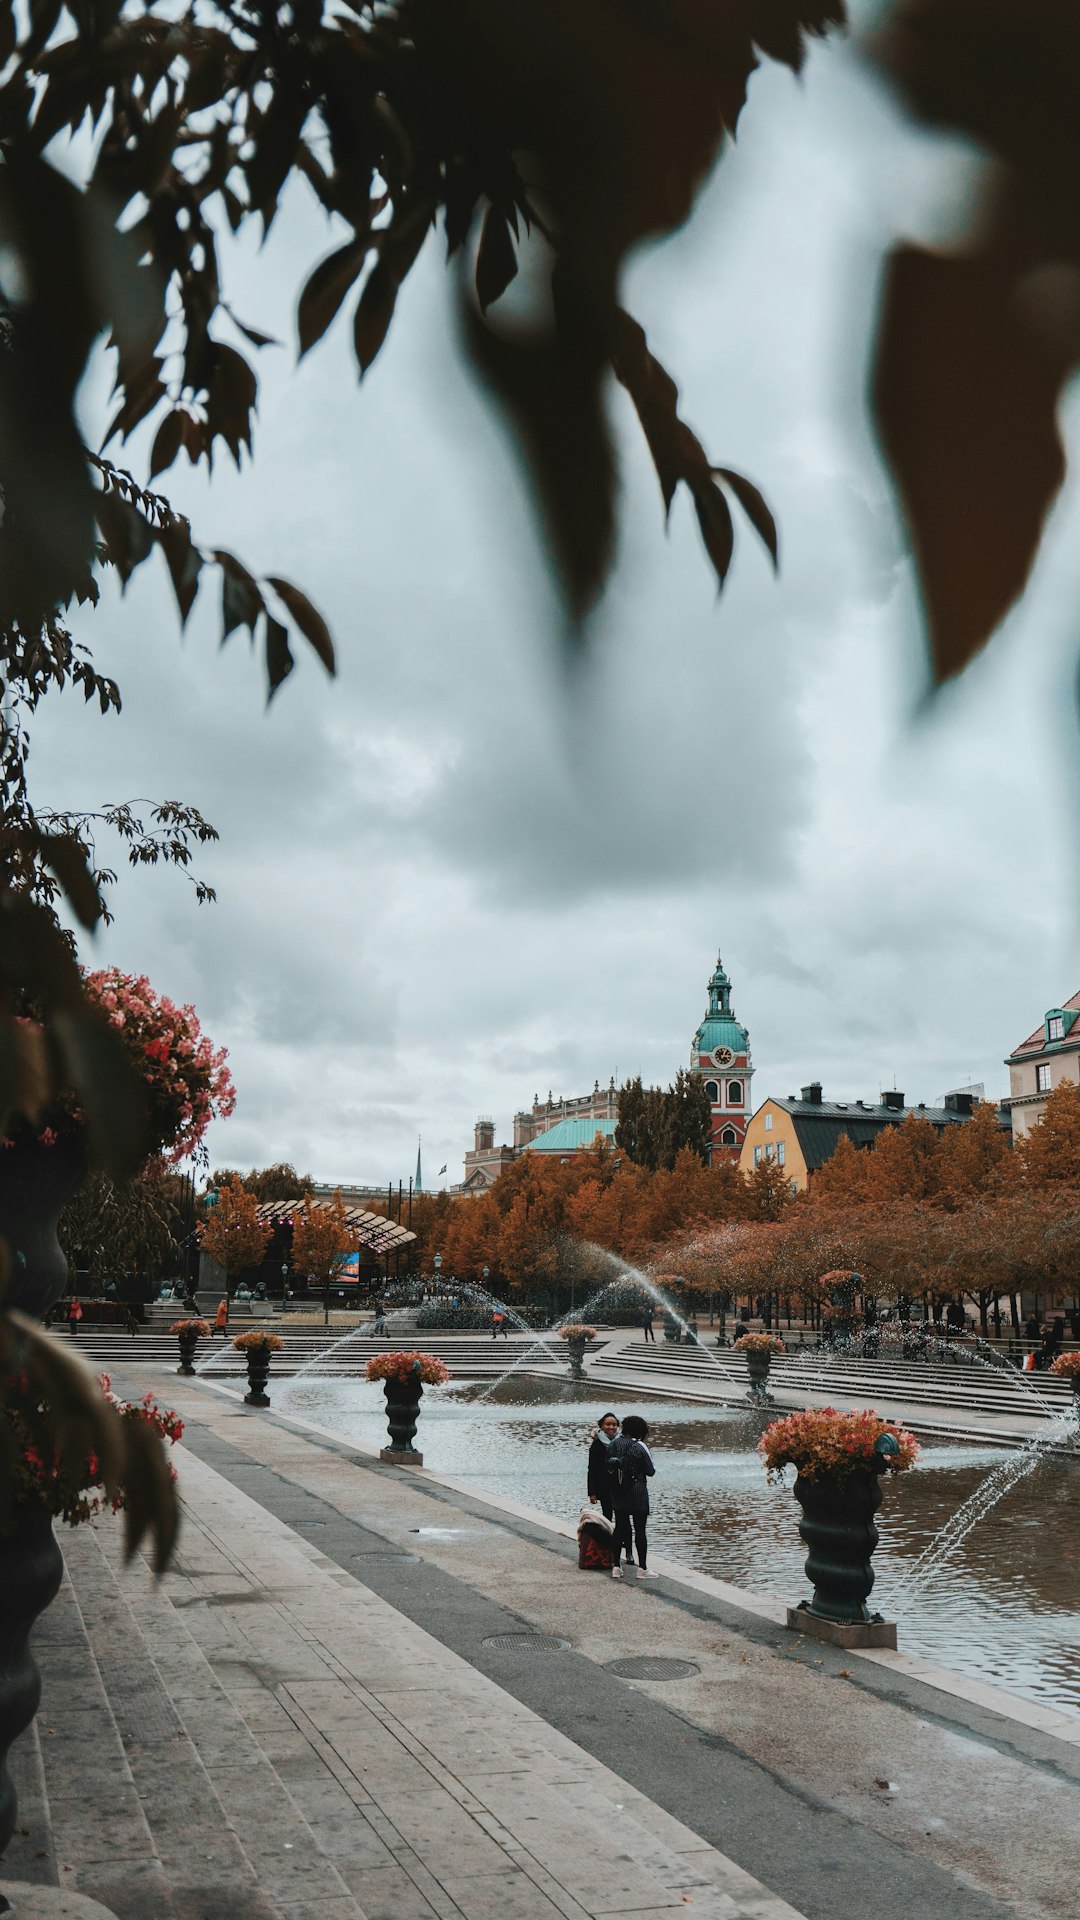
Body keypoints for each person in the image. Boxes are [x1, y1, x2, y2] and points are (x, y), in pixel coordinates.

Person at [606, 1413, 657, 1580]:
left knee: (619, 1528)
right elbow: (651, 1471)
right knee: (640, 1530)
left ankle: (615, 1567)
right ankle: (642, 1568)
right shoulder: (639, 1446)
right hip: (637, 1493)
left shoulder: (613, 1444)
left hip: (618, 1492)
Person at [587, 1413, 620, 1521]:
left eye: (614, 1425)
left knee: (622, 1517)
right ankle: (608, 1537)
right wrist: (592, 1492)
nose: (611, 1427)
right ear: (601, 1425)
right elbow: (592, 1469)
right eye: (608, 1424)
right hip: (603, 1485)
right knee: (607, 1515)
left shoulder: (622, 1441)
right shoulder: (597, 1444)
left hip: (620, 1485)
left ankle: (621, 1538)